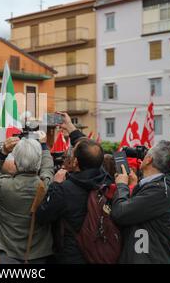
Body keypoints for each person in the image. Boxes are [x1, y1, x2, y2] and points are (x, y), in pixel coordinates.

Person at [36, 112, 114, 264]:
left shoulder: (63, 189)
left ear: (76, 162)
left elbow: (42, 216)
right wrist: (71, 128)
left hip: (71, 255)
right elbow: (92, 152)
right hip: (98, 252)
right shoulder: (106, 179)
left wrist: (55, 185)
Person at [0, 134, 54, 264]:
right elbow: (48, 168)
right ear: (39, 162)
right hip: (37, 255)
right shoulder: (45, 186)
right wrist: (44, 146)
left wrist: (2, 153)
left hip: (4, 254)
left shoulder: (3, 185)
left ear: (15, 162)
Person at [112, 140, 170, 264]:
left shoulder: (159, 191)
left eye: (145, 155)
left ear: (148, 160)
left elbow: (120, 213)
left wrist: (121, 185)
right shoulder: (157, 187)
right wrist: (135, 186)